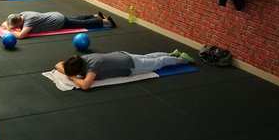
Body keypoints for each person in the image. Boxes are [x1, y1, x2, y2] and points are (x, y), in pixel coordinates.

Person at [55, 49, 195, 90]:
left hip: (129, 66)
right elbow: (58, 64)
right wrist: (69, 72)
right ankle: (171, 54)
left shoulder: (92, 66)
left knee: (157, 64)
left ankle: (183, 60)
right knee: (147, 56)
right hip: (122, 55)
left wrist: (73, 78)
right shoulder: (81, 58)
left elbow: (85, 85)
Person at [2, 11, 116, 39]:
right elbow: (4, 23)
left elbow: (21, 36)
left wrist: (12, 31)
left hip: (58, 22)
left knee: (80, 24)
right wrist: (10, 26)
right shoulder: (21, 14)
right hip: (55, 15)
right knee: (77, 18)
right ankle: (95, 16)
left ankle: (105, 22)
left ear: (19, 22)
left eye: (15, 26)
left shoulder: (29, 21)